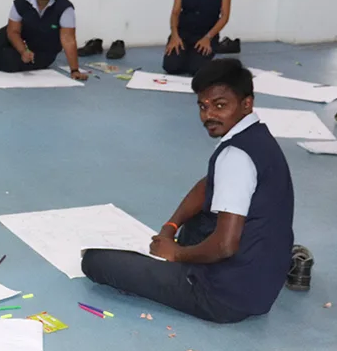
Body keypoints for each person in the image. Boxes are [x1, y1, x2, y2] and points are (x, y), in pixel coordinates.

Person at [82, 59, 295, 323]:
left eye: (220, 105)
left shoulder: (235, 156)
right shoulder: (257, 137)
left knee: (95, 261)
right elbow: (207, 185)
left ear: (246, 103)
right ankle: (183, 260)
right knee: (194, 223)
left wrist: (176, 253)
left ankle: (185, 272)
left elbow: (225, 246)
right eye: (203, 107)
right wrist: (170, 226)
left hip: (224, 298)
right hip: (261, 285)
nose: (209, 115)